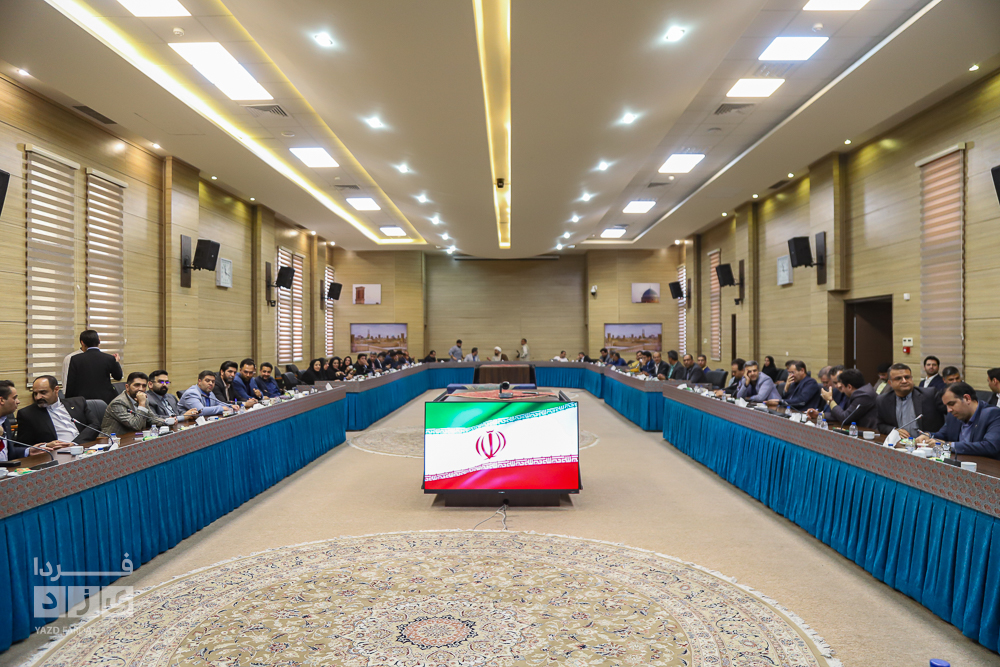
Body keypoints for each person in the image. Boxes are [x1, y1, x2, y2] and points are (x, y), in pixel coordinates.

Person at [916, 382, 1000, 458]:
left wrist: (948, 446)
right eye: (946, 406)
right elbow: (942, 435)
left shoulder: (993, 414)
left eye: (951, 404)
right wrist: (928, 435)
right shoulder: (953, 415)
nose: (949, 410)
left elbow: (990, 446)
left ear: (967, 398)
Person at [15, 376, 101, 449]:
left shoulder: (78, 403)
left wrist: (75, 443)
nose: (38, 397)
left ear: (56, 390)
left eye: (43, 392)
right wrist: (45, 445)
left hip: (84, 447)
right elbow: (22, 446)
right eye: (35, 393)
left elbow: (94, 425)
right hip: (57, 453)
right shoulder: (27, 414)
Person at [875, 363, 946, 437]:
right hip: (899, 442)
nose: (904, 381)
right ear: (890, 383)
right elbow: (880, 425)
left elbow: (951, 416)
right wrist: (894, 430)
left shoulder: (930, 395)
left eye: (907, 377)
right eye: (898, 378)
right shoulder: (883, 400)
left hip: (927, 442)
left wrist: (934, 435)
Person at [1, 380, 66, 459]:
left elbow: (8, 453)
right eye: (14, 398)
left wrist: (28, 451)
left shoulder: (4, 421)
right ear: (1, 400)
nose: (18, 402)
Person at [64, 330, 123, 404]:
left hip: (83, 401)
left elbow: (71, 383)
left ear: (82, 342)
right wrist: (116, 362)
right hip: (105, 400)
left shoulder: (75, 359)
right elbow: (118, 376)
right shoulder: (109, 358)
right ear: (99, 341)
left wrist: (68, 402)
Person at [102, 372, 169, 436]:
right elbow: (136, 425)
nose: (141, 389)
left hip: (134, 437)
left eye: (144, 386)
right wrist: (142, 404)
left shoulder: (143, 399)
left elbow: (152, 419)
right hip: (113, 440)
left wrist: (168, 421)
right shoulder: (118, 403)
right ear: (127, 387)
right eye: (137, 385)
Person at [809, 368, 878, 429]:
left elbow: (845, 417)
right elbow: (843, 414)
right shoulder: (859, 393)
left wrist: (830, 400)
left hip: (871, 433)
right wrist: (820, 415)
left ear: (849, 387)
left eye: (842, 386)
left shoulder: (863, 395)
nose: (839, 387)